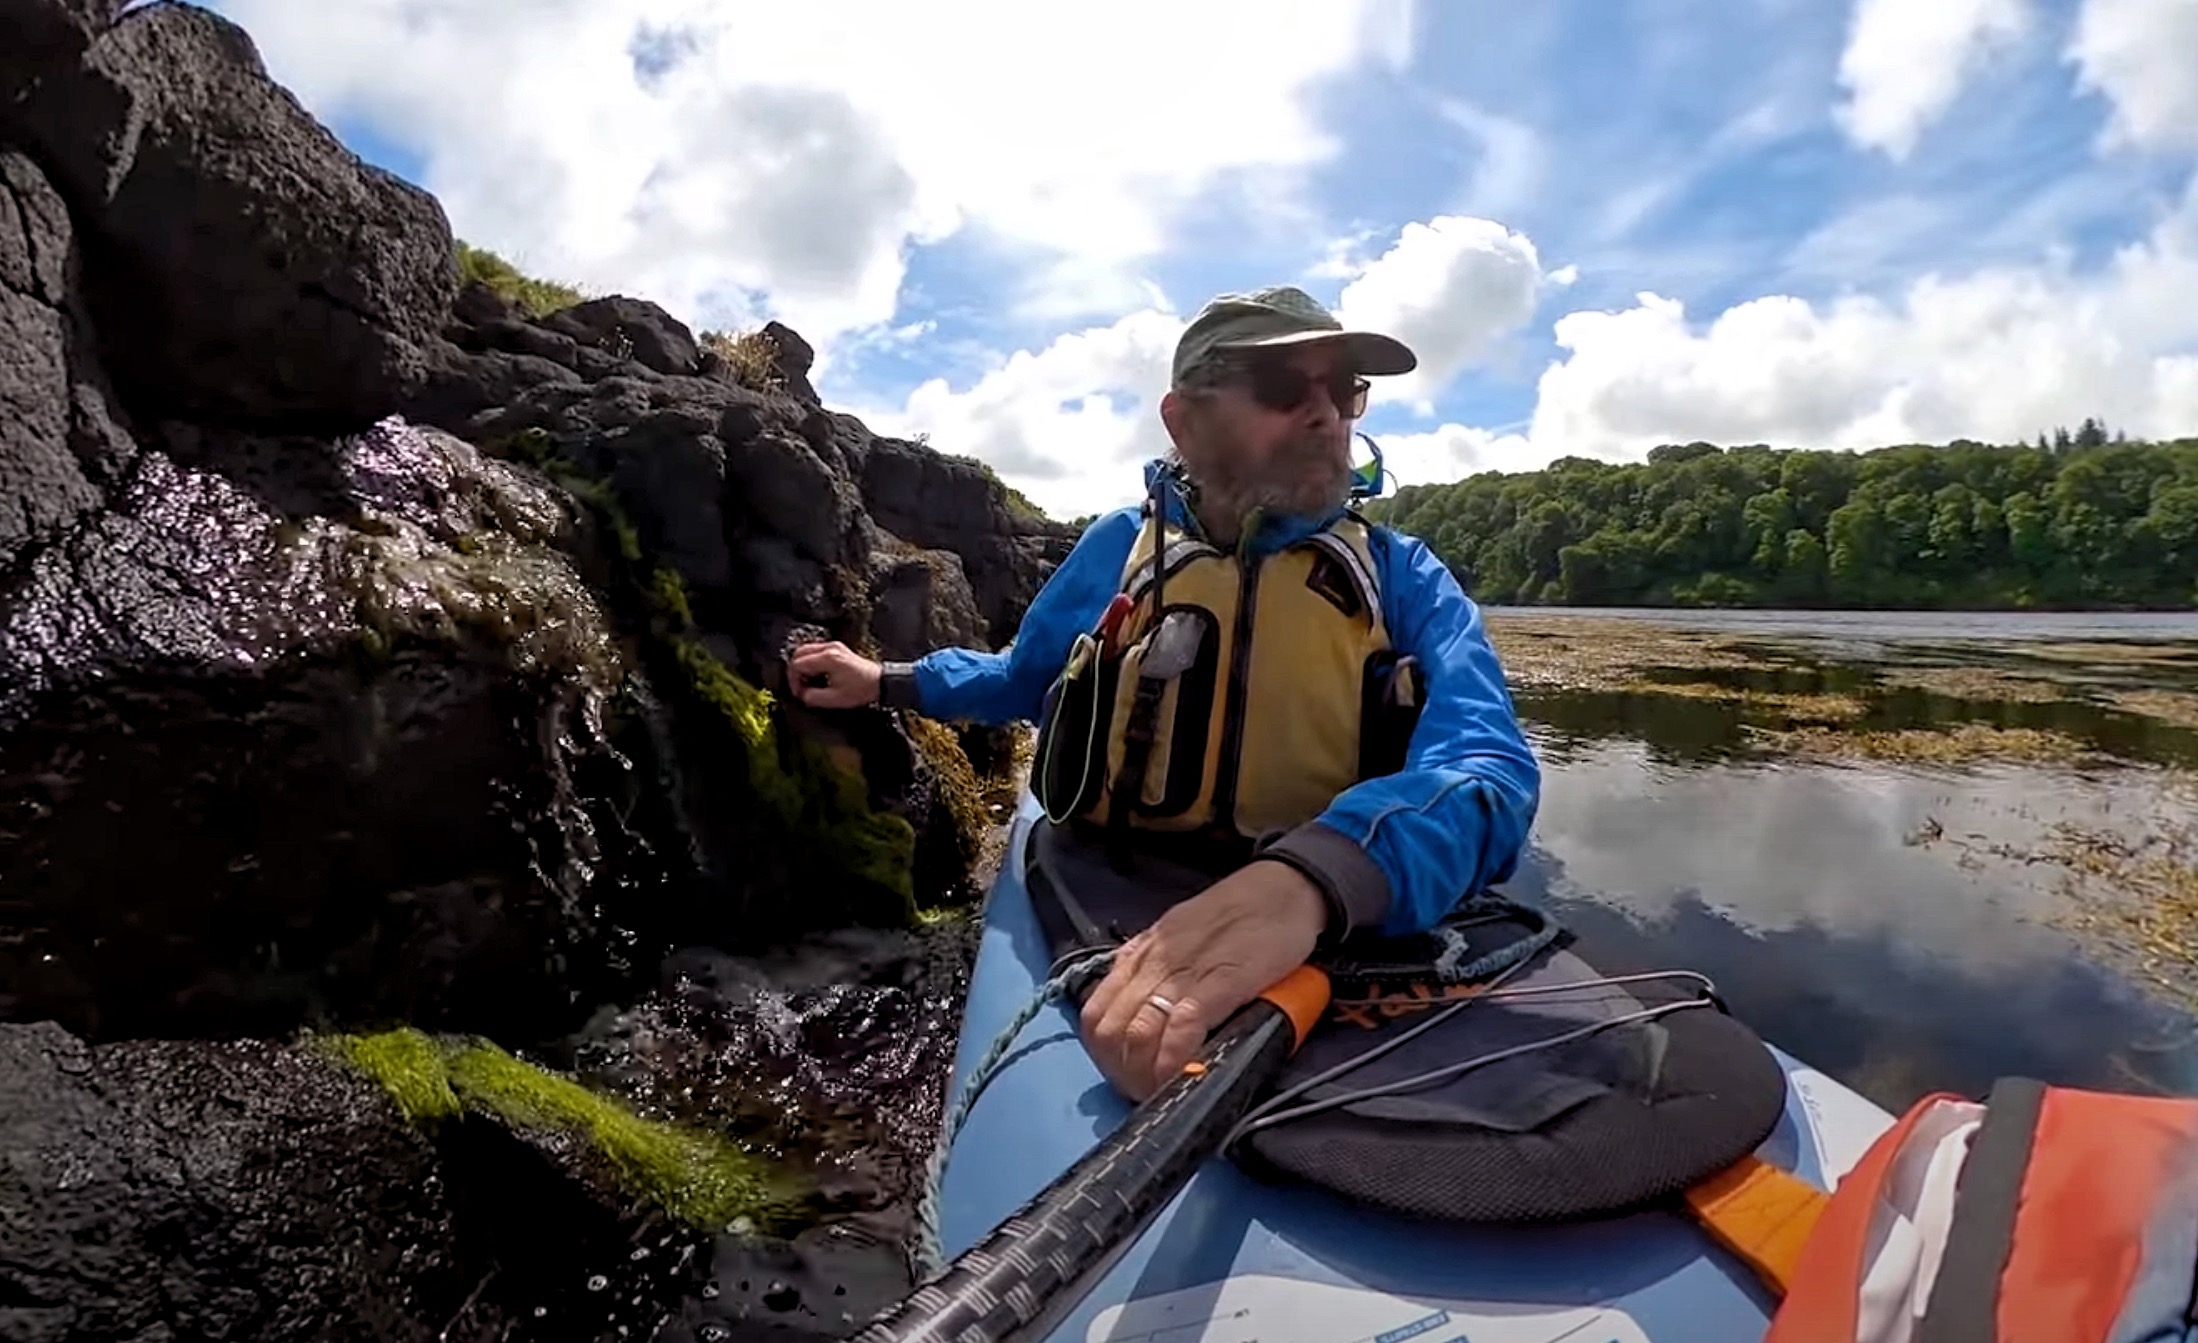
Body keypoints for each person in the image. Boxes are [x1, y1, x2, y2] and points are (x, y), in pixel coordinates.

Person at [789, 285, 1540, 1101]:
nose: (1329, 416)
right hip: (1115, 878)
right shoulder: (1120, 545)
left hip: (1341, 901)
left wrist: (1329, 870)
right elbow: (1022, 680)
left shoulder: (1404, 573)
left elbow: (1488, 764)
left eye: (1347, 389)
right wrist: (886, 681)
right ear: (1182, 419)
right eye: (1288, 387)